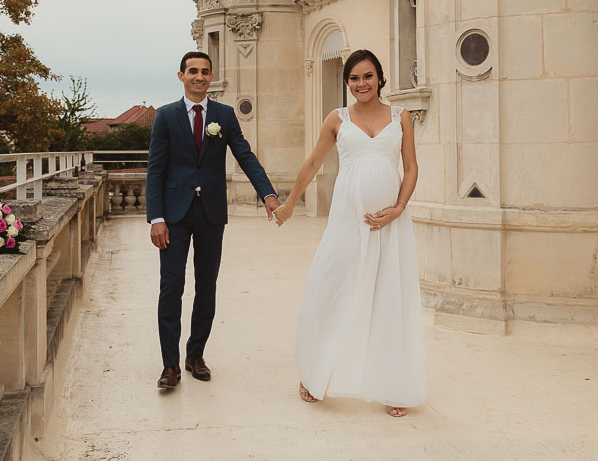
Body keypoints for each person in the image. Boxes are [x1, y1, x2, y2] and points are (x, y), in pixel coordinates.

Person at [272, 49, 426, 417]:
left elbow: (411, 167)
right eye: (355, 78)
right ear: (347, 83)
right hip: (347, 220)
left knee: (388, 297)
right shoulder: (337, 119)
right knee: (328, 286)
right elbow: (313, 162)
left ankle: (394, 385)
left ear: (380, 78)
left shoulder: (400, 117)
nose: (362, 84)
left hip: (390, 223)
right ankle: (315, 373)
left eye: (368, 76)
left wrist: (398, 208)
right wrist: (291, 202)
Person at [146, 51, 281, 390]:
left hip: (211, 213)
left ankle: (195, 355)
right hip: (174, 215)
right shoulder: (165, 117)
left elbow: (245, 156)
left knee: (206, 287)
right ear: (181, 76)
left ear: (211, 77)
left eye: (205, 72)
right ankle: (170, 366)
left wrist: (268, 194)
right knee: (171, 287)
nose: (199, 77)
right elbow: (156, 170)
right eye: (193, 71)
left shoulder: (224, 115)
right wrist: (156, 217)